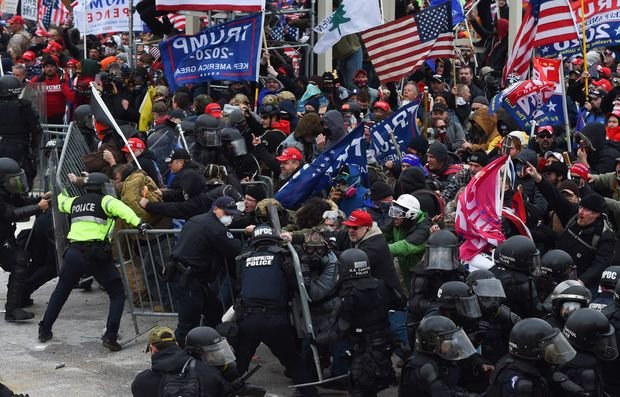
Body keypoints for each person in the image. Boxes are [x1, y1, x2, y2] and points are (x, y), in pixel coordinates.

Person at [38, 173, 148, 351]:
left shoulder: (75, 202)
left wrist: (62, 184)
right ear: (104, 187)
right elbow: (125, 211)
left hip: (74, 253)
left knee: (61, 290)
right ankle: (110, 337)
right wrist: (140, 224)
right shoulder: (107, 202)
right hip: (96, 255)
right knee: (117, 294)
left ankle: (44, 329)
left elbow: (61, 200)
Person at [234, 225, 318, 396]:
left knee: (239, 364)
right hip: (275, 320)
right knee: (294, 363)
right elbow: (297, 286)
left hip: (248, 319)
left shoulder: (244, 259)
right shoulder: (283, 257)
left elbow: (240, 285)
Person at [318, 248, 399, 397]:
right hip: (385, 344)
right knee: (372, 384)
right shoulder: (381, 285)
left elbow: (341, 330)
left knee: (360, 387)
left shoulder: (350, 295)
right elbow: (399, 303)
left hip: (365, 348)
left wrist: (318, 340)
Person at [168, 196, 243, 344]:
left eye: (231, 214)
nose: (230, 217)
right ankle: (184, 357)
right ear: (215, 209)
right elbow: (235, 248)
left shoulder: (197, 219)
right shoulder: (215, 229)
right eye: (226, 213)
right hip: (188, 280)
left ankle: (207, 342)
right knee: (188, 324)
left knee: (214, 311)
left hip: (191, 277)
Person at [0, 158, 50, 322]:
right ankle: (13, 308)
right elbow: (12, 213)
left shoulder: (6, 193)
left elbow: (21, 202)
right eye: (12, 179)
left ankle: (14, 308)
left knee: (20, 261)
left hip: (4, 238)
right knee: (19, 260)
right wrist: (38, 207)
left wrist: (41, 199)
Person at [486, 318, 576, 397]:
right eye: (547, 348)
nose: (552, 351)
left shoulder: (533, 366)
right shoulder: (519, 381)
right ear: (532, 350)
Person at [407, 230, 468, 343]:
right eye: (437, 254)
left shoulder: (460, 272)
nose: (441, 259)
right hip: (426, 320)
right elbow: (415, 303)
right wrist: (440, 306)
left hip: (454, 318)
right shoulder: (421, 273)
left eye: (445, 254)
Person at [399, 315, 480, 397]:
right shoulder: (425, 367)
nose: (452, 344)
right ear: (433, 343)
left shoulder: (438, 359)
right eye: (447, 340)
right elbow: (443, 394)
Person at [554, 308, 618, 396]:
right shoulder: (587, 372)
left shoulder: (560, 354)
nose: (604, 344)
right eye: (601, 340)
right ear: (586, 340)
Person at [0, 75, 42, 185]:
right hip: (21, 148)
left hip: (3, 146)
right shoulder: (24, 107)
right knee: (23, 177)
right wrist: (34, 149)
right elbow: (36, 129)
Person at [490, 235, 544, 318]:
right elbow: (537, 312)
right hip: (517, 325)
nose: (533, 264)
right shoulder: (523, 282)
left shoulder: (492, 271)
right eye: (531, 260)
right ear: (521, 259)